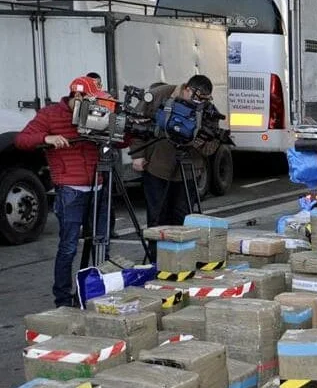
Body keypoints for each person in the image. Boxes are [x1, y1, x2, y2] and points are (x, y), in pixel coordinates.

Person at [14, 76, 108, 307]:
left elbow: (122, 141)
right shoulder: (50, 114)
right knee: (68, 247)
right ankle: (63, 300)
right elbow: (21, 140)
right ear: (78, 96)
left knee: (101, 242)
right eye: (91, 100)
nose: (96, 105)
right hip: (70, 189)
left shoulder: (98, 114)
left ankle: (98, 293)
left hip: (98, 185)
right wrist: (47, 137)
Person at [130, 75, 223, 231]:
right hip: (157, 166)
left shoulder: (208, 111)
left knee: (183, 218)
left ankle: (181, 247)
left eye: (204, 100)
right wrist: (137, 155)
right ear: (187, 88)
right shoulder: (161, 94)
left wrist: (197, 140)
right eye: (197, 98)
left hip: (188, 170)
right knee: (157, 218)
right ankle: (157, 247)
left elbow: (211, 146)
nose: (199, 103)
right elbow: (135, 121)